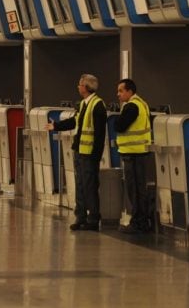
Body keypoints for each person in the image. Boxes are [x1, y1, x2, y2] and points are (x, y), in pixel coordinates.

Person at [47, 74, 106, 231]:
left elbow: (100, 134)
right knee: (80, 185)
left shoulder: (98, 105)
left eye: (80, 85)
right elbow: (75, 121)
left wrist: (96, 156)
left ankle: (93, 219)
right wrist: (56, 126)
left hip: (90, 154)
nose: (78, 87)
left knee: (90, 186)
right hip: (79, 150)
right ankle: (80, 216)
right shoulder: (82, 105)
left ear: (87, 87)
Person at [114, 78, 152, 234]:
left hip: (133, 153)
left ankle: (138, 222)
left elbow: (119, 126)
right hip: (139, 152)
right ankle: (141, 221)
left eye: (121, 91)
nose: (118, 94)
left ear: (130, 91)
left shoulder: (131, 107)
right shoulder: (142, 104)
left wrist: (117, 120)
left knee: (134, 189)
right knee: (139, 188)